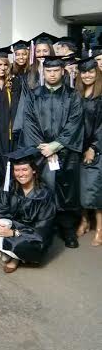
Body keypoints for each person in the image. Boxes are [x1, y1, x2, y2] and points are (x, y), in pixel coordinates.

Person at [22, 55, 83, 248]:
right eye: (49, 70)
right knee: (43, 189)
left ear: (63, 72)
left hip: (65, 151)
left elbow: (75, 123)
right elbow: (29, 122)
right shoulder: (33, 94)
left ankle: (67, 230)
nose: (52, 74)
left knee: (66, 190)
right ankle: (43, 229)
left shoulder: (73, 95)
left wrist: (55, 145)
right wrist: (44, 147)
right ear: (43, 72)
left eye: (56, 70)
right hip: (40, 152)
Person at [0, 148, 57, 273]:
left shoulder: (44, 195)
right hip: (13, 227)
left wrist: (14, 233)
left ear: (34, 170)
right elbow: (0, 207)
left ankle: (16, 257)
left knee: (23, 242)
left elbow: (43, 229)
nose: (20, 174)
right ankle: (9, 250)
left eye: (25, 169)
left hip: (33, 235)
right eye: (17, 170)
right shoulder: (10, 187)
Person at [74, 57, 102, 246]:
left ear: (97, 72)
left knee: (95, 188)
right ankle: (84, 221)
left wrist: (94, 147)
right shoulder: (77, 94)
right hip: (77, 147)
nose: (87, 75)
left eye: (91, 71)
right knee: (80, 188)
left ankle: (99, 228)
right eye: (84, 72)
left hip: (97, 148)